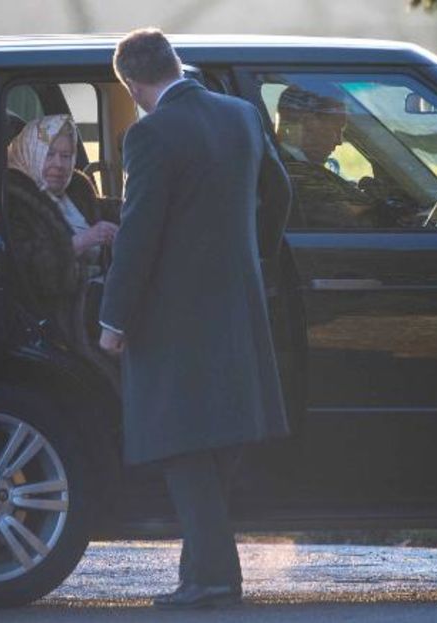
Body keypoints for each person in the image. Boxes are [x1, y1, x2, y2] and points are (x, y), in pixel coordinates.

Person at [98, 29, 292, 609]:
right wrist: (252, 261)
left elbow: (139, 234)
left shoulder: (150, 134)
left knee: (182, 444)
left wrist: (114, 316)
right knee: (220, 439)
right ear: (175, 64)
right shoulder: (240, 115)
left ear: (131, 84)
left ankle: (211, 580)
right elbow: (279, 194)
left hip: (174, 318)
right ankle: (204, 573)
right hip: (239, 304)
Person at [5, 114, 118, 343]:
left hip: (100, 290)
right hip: (63, 310)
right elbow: (29, 270)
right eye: (49, 154)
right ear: (31, 152)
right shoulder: (13, 200)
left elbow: (109, 209)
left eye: (66, 156)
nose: (59, 164)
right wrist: (82, 241)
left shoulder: (75, 188)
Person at [274, 85, 394, 228]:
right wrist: (374, 202)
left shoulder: (290, 164)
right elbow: (346, 216)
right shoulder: (293, 172)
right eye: (336, 129)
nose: (338, 141)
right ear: (309, 123)